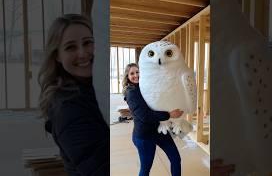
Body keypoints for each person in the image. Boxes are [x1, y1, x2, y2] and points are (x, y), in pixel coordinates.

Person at [38, 14, 109, 175]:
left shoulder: (94, 89)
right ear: (57, 56)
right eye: (71, 47)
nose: (83, 53)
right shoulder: (67, 106)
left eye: (88, 43)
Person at [122, 63, 183, 176]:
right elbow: (145, 116)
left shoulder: (147, 87)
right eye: (132, 73)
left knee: (175, 159)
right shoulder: (131, 93)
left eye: (138, 72)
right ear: (127, 77)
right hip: (144, 137)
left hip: (159, 130)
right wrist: (169, 114)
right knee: (145, 169)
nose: (136, 75)